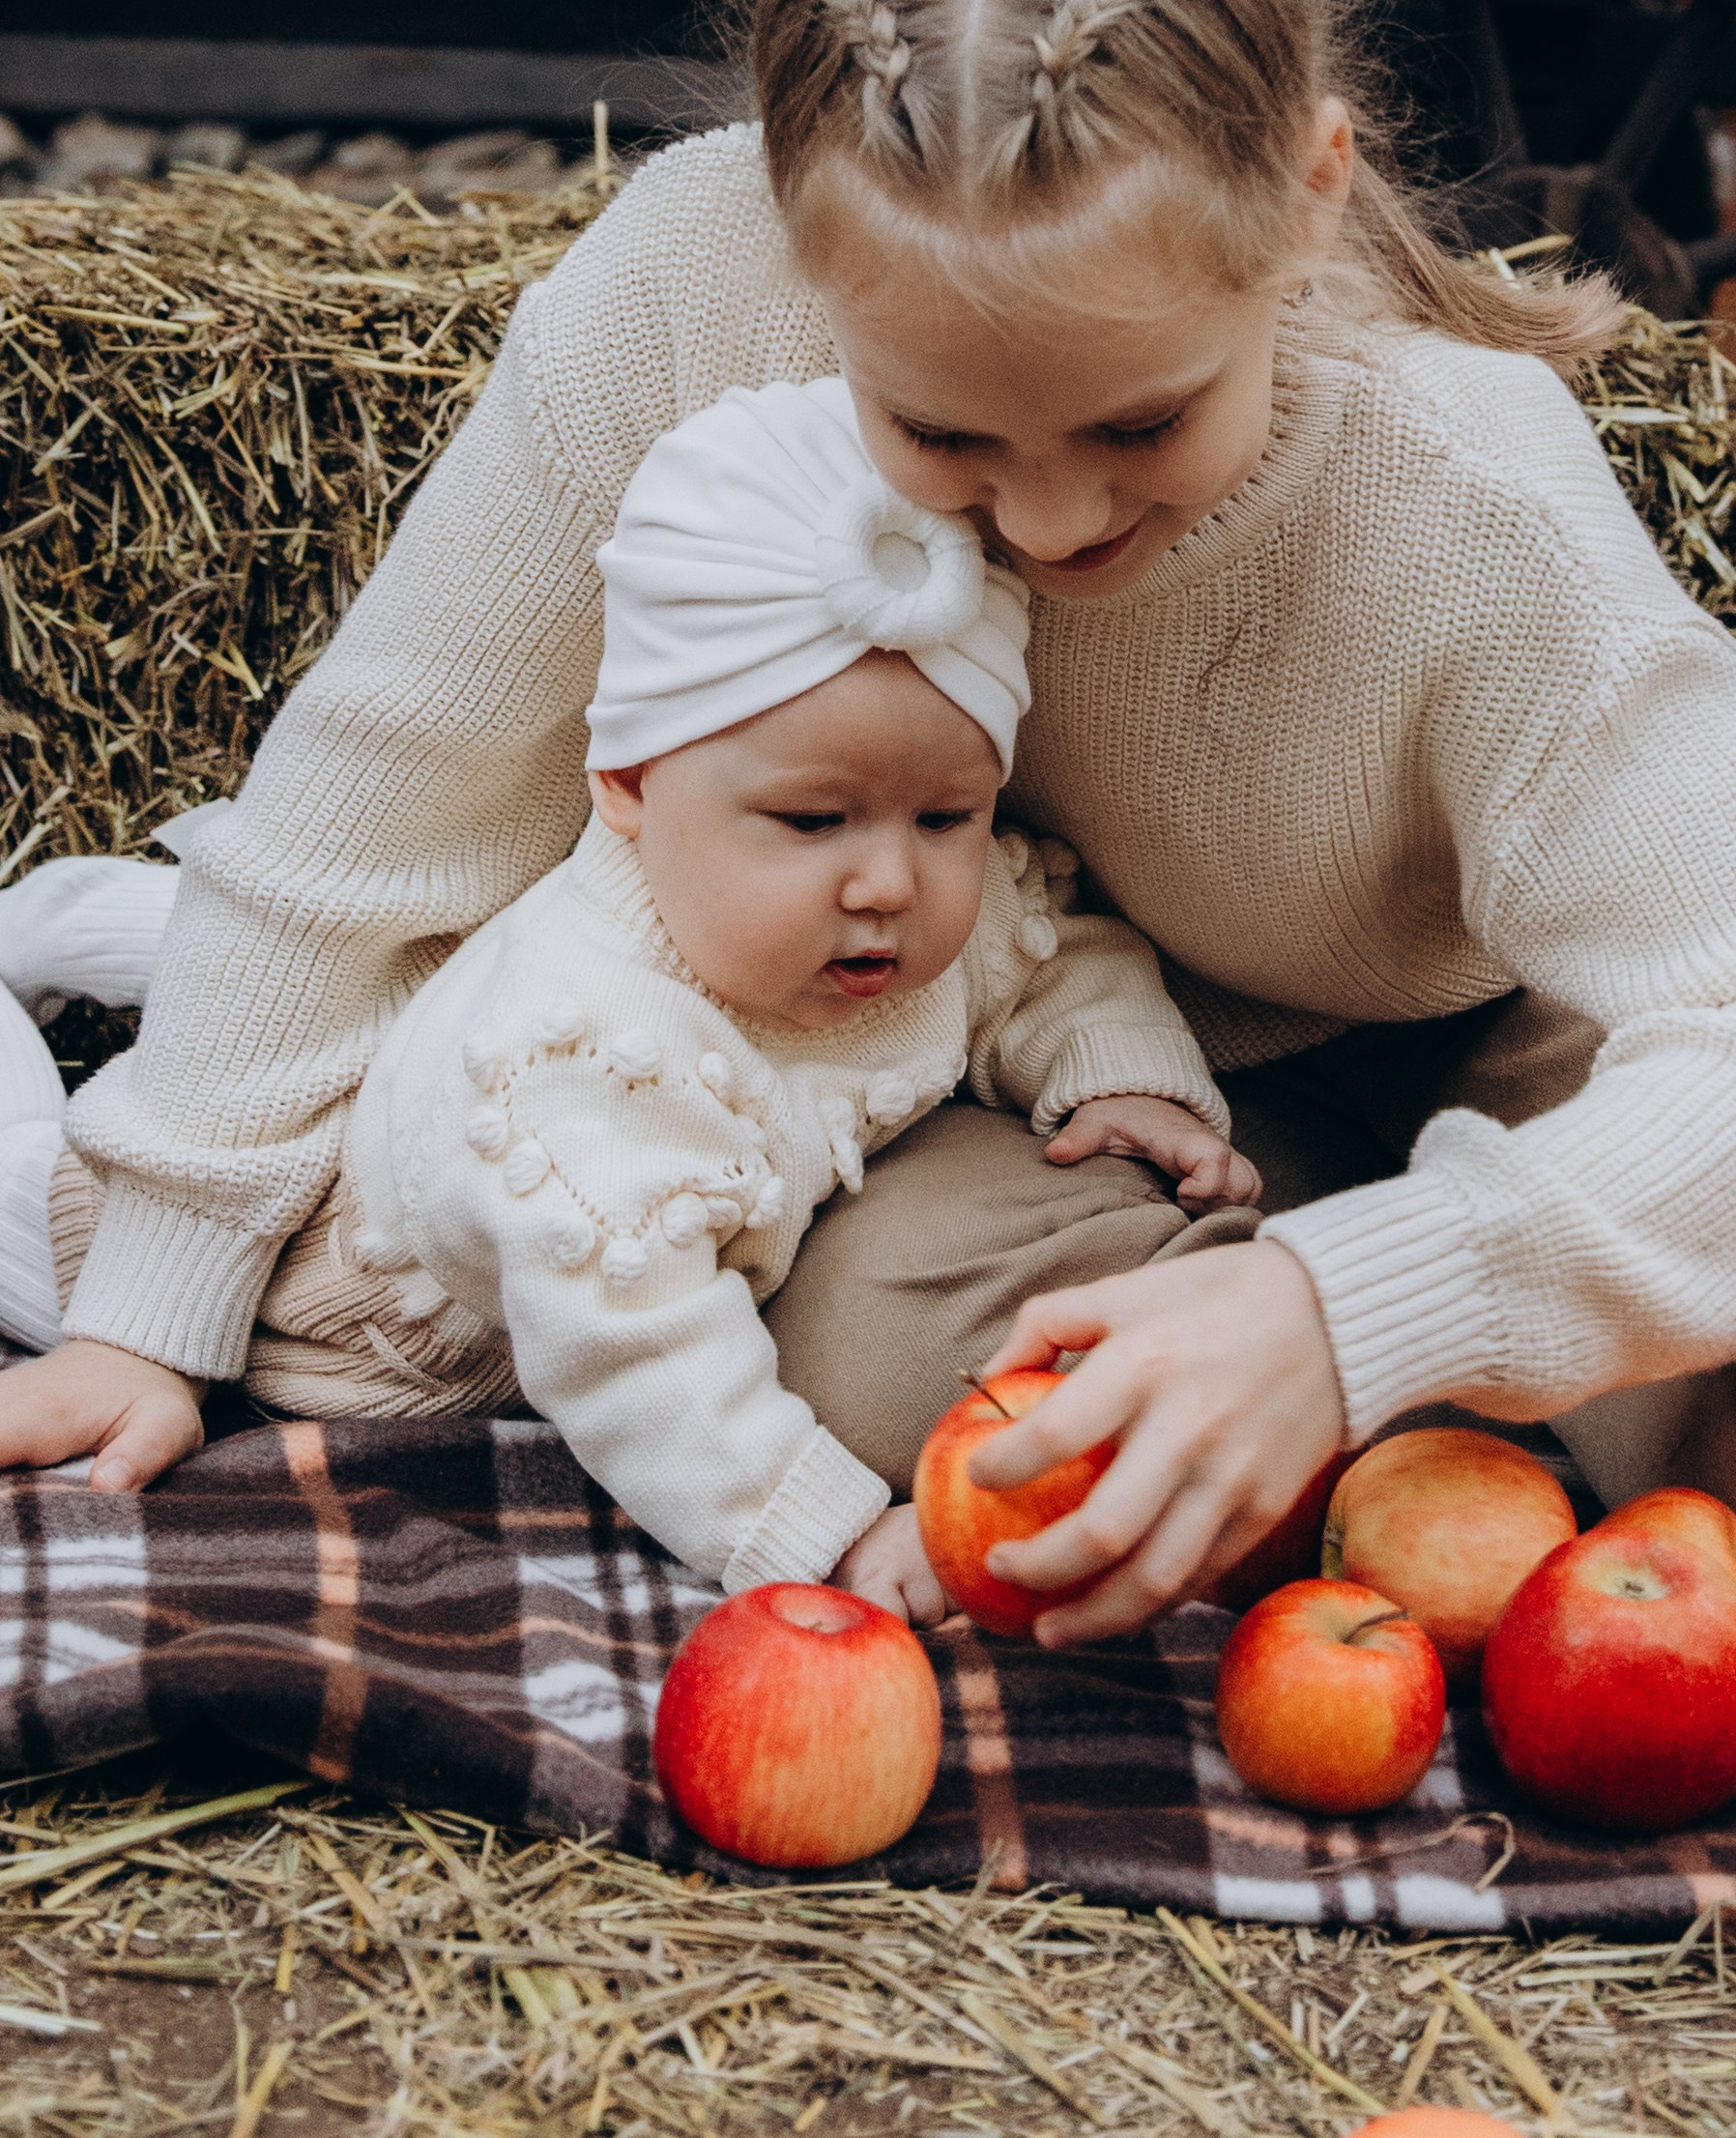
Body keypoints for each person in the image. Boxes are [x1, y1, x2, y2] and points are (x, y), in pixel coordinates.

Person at [5, 0, 1736, 1640]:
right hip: (1073, 1062)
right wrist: (153, 1308)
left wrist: (1364, 1302)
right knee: (890, 1363)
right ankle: (1424, 1435)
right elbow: (370, 818)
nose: (1056, 520)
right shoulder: (685, 281)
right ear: (799, 237)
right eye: (940, 432)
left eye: (1142, 420)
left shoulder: (1458, 490)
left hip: (1521, 1019)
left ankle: (1427, 1382)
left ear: (1308, 197)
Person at [0, 378, 1257, 1619]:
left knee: (406, 987)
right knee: (148, 1089)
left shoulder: (910, 905)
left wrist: (1122, 1073)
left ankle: (88, 921)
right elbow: (642, 1355)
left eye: (946, 816)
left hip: (446, 1058)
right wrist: (819, 1528)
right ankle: (69, 947)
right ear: (631, 787)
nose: (888, 879)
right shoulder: (585, 1066)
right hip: (297, 1283)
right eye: (813, 820)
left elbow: (1046, 945)